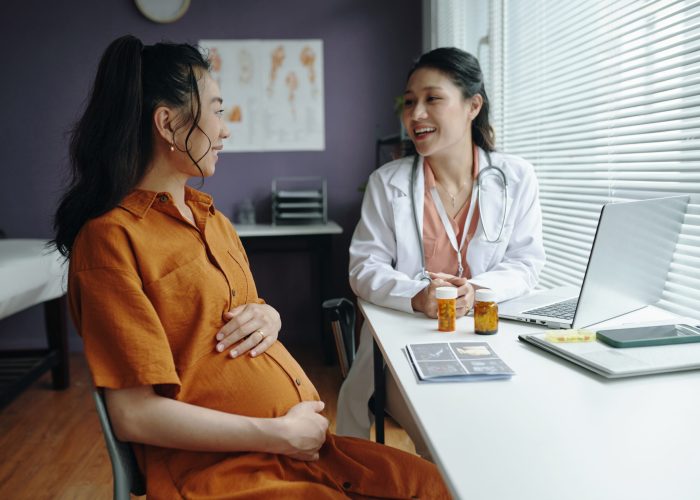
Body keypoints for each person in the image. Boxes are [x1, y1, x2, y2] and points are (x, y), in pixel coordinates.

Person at [53, 35, 450, 499]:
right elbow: (134, 415)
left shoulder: (213, 221)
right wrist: (276, 434)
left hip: (304, 450)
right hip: (224, 471)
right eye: (217, 111)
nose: (225, 130)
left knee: (433, 484)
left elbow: (232, 314)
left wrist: (271, 316)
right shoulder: (110, 240)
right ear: (166, 123)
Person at [336, 47, 546, 453]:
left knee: (519, 432)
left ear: (473, 105)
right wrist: (417, 296)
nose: (416, 114)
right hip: (409, 342)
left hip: (490, 336)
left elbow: (525, 262)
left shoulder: (516, 177)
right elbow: (364, 267)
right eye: (410, 102)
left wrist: (478, 289)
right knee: (446, 441)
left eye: (432, 99)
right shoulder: (388, 182)